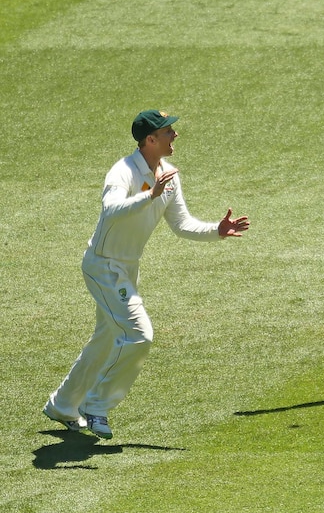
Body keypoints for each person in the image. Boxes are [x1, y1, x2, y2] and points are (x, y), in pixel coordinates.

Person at [42, 110, 250, 439]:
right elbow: (110, 210)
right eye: (169, 131)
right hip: (103, 265)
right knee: (140, 334)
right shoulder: (123, 170)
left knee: (106, 339)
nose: (175, 136)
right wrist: (148, 196)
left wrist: (217, 230)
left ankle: (63, 405)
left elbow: (183, 225)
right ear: (150, 139)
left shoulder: (169, 174)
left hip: (126, 267)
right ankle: (96, 405)